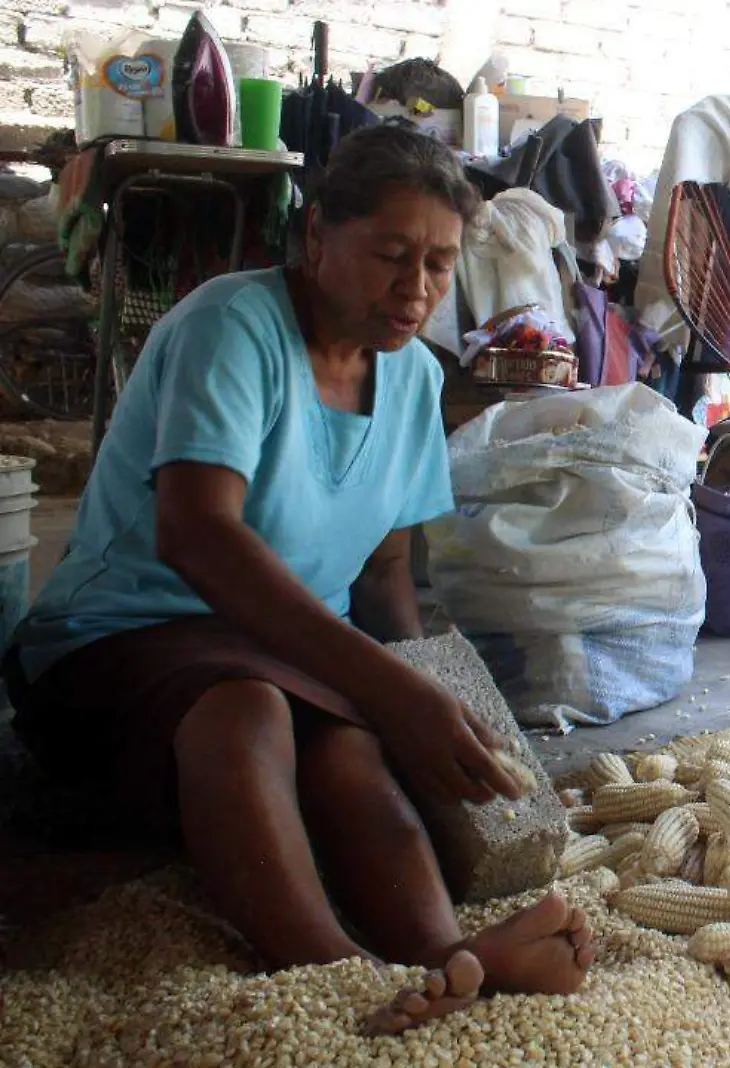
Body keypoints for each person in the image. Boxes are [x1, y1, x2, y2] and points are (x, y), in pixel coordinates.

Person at [2, 124, 591, 1032]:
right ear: (316, 236)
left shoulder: (413, 383)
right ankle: (332, 975)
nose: (418, 288)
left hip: (287, 658)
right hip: (116, 646)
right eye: (392, 255)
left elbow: (389, 579)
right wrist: (384, 686)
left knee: (346, 742)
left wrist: (446, 707)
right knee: (254, 706)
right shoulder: (231, 328)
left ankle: (443, 956)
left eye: (439, 264)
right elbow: (199, 536)